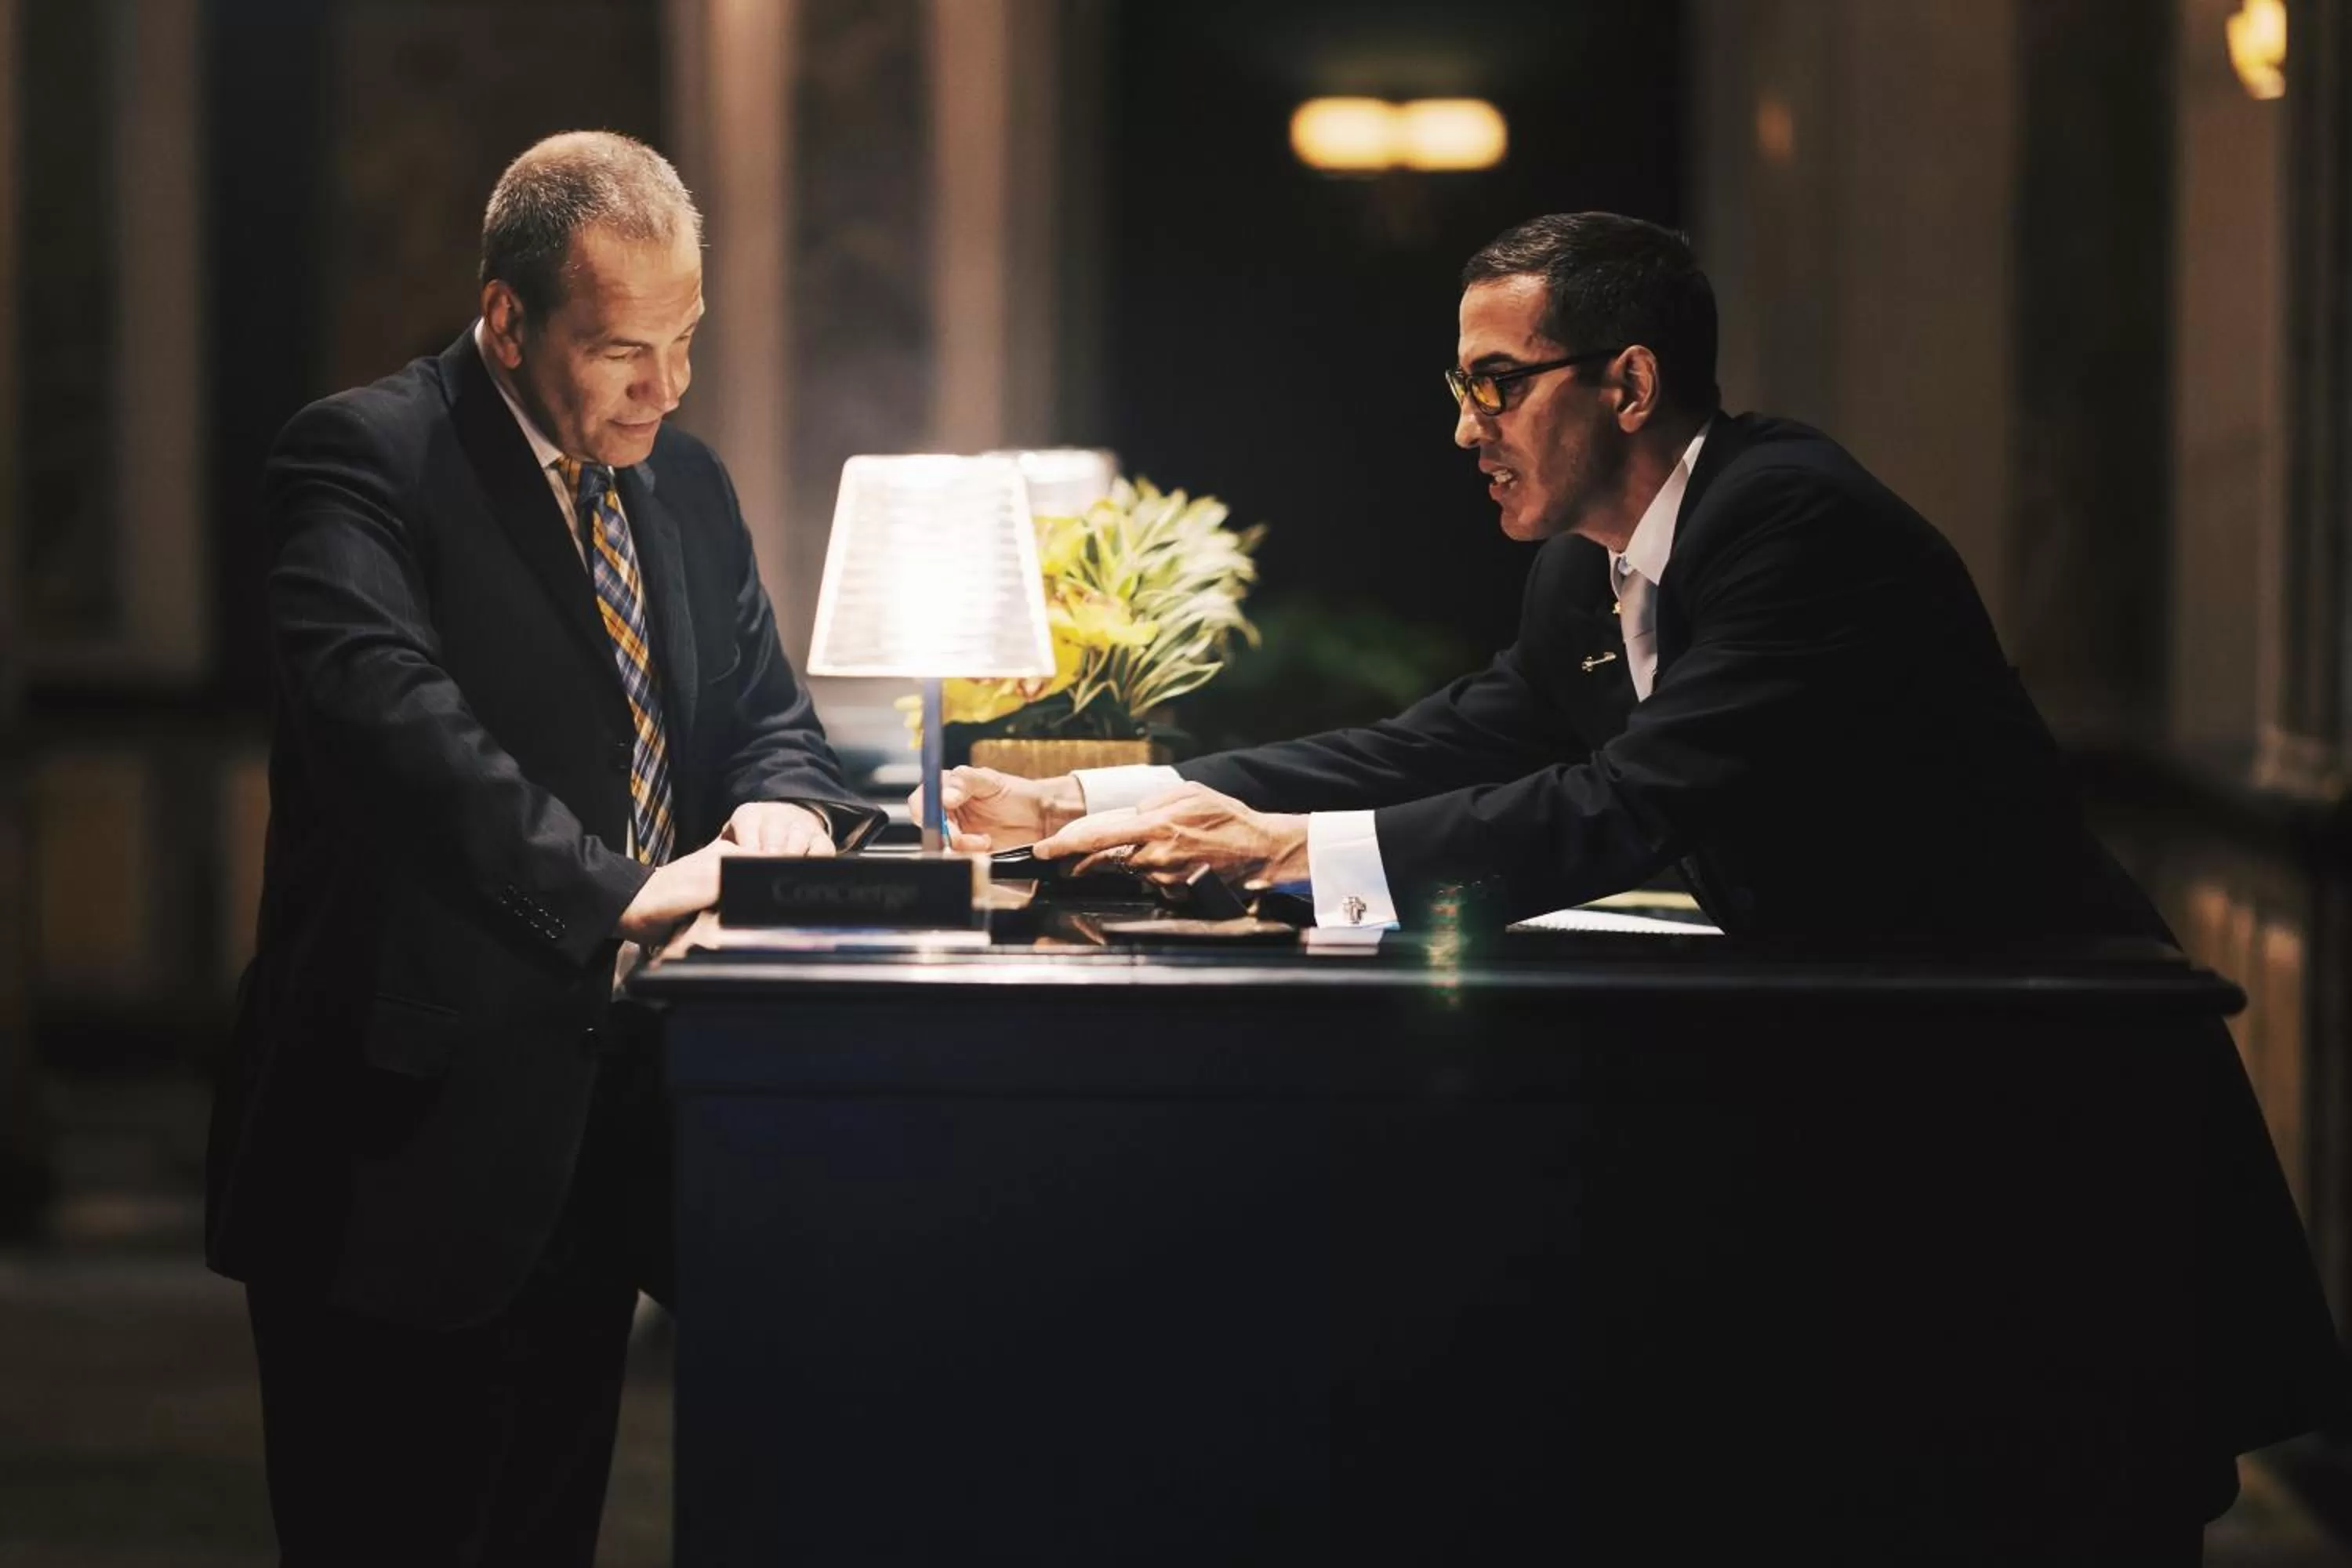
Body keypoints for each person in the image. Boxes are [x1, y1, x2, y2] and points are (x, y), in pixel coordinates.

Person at [938, 212, 2345, 1537]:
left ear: (1628, 381)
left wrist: (1290, 855)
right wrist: (1105, 792)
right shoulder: (1586, 571)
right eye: (1462, 387)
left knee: (2068, 1495)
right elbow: (1440, 743)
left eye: (1496, 386)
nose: (1462, 428)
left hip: (2046, 1085)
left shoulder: (1797, 522)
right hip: (1896, 1075)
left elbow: (1629, 804)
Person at [205, 131, 880, 1566]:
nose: (668, 386)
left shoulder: (682, 485)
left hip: (601, 1136)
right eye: (624, 348)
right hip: (401, 1153)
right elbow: (396, 733)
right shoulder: (361, 456)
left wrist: (782, 812)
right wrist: (628, 894)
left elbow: (765, 713)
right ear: (506, 320)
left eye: (687, 338)